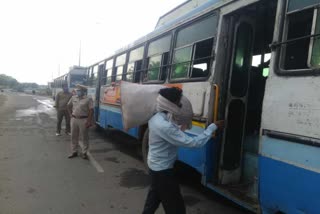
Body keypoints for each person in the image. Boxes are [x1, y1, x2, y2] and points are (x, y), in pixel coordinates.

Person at [142, 87, 224, 214]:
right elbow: (194, 143)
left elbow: (172, 131)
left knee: (152, 201)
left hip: (155, 167)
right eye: (178, 102)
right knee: (176, 208)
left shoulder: (157, 117)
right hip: (163, 172)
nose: (180, 105)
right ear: (169, 104)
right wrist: (212, 127)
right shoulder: (164, 126)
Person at [67, 84, 94, 159]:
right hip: (74, 119)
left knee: (84, 137)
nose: (78, 92)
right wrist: (70, 115)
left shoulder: (88, 99)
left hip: (83, 120)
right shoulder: (73, 98)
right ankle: (74, 151)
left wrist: (89, 121)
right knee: (73, 136)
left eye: (79, 91)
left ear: (83, 91)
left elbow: (91, 110)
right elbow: (68, 106)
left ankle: (84, 153)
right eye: (77, 90)